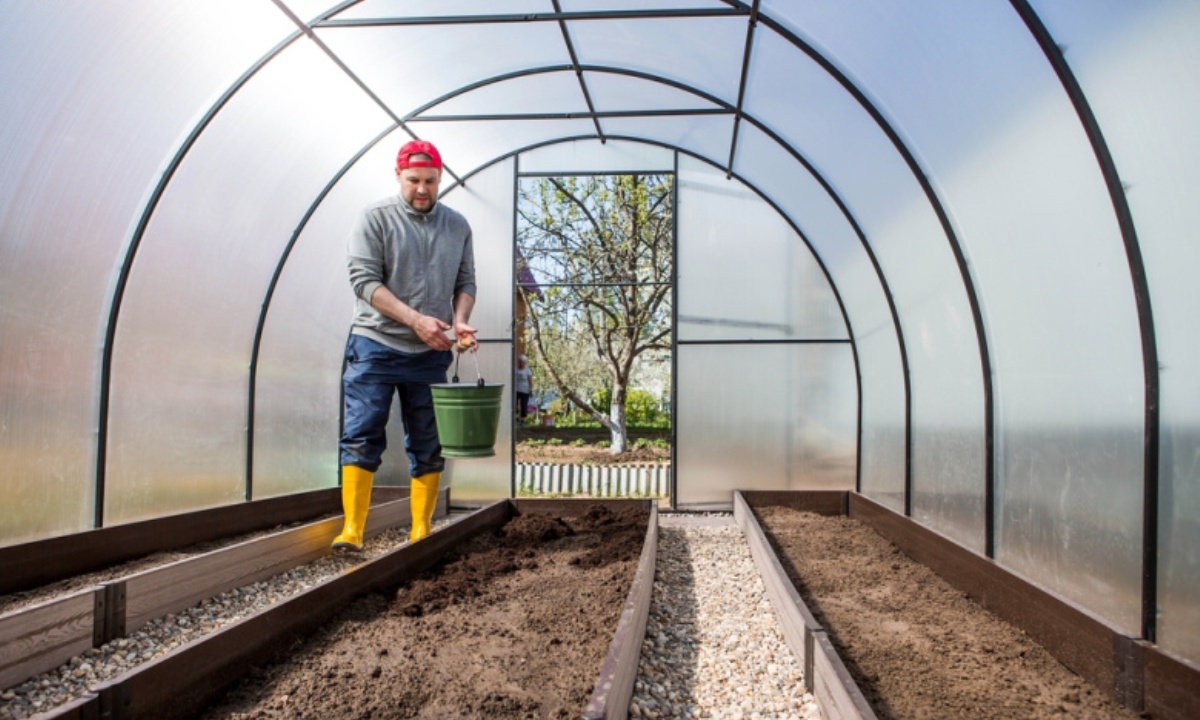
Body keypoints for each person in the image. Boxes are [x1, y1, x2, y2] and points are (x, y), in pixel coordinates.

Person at [333, 139, 477, 551]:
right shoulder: (374, 218)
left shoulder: (457, 225)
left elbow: (466, 282)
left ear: (439, 179)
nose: (422, 189)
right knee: (362, 434)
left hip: (430, 351)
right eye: (413, 180)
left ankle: (420, 530)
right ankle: (352, 531)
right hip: (375, 344)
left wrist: (461, 321)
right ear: (398, 176)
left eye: (430, 181)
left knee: (428, 441)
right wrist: (415, 320)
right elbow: (364, 282)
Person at [513, 354, 533, 422]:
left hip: (525, 389)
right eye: (519, 362)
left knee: (524, 404)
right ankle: (515, 415)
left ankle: (523, 417)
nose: (520, 363)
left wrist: (530, 389)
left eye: (522, 362)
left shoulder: (527, 370)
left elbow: (530, 380)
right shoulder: (515, 369)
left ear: (524, 362)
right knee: (514, 402)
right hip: (516, 389)